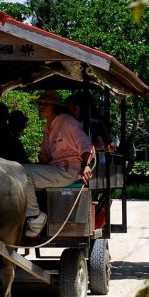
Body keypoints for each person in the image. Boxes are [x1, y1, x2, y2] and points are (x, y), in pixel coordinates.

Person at [23, 90, 94, 238]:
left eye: (45, 103)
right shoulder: (47, 126)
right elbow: (46, 155)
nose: (41, 106)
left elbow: (86, 145)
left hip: (67, 171)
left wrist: (86, 165)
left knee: (23, 173)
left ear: (54, 106)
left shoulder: (67, 122)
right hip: (54, 169)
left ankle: (36, 217)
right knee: (17, 171)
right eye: (39, 104)